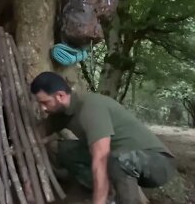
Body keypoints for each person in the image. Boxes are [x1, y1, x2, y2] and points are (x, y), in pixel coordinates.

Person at [30, 71, 177, 204]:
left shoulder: (90, 107)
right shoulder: (63, 113)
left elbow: (101, 158)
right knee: (64, 149)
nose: (42, 108)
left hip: (158, 163)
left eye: (45, 102)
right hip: (121, 159)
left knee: (117, 159)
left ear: (60, 95)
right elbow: (37, 132)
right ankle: (108, 194)